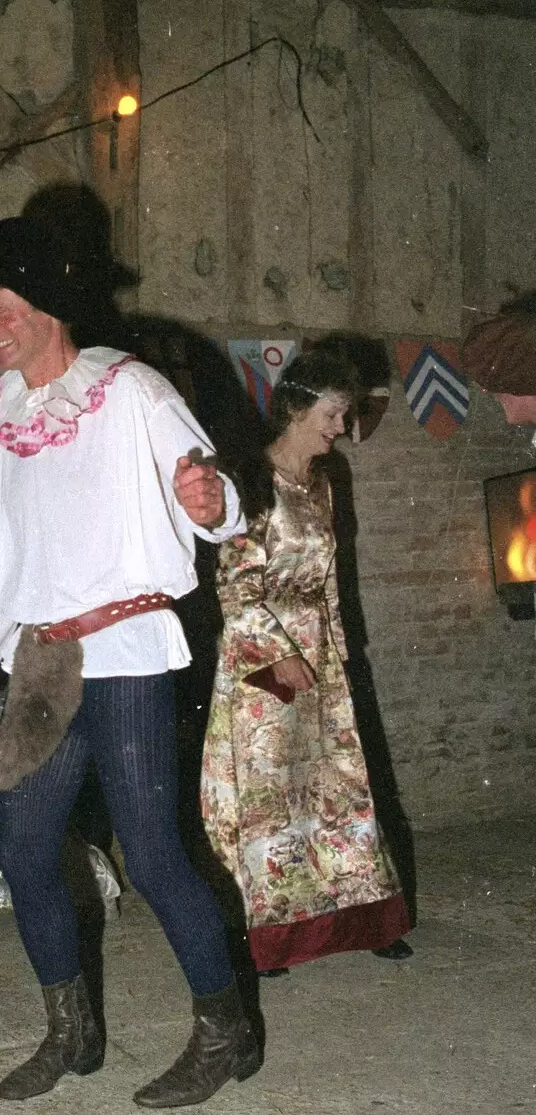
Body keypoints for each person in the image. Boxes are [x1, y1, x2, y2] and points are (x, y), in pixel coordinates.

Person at [0, 216, 259, 1109]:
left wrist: (210, 495)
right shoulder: (2, 416)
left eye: (0, 309)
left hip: (128, 649)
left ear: (46, 306)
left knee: (151, 854)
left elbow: (220, 507)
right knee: (24, 847)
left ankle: (226, 1032)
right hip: (42, 663)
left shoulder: (132, 391)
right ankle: (71, 1033)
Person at [200, 348, 412, 973]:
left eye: (345, 416)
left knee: (335, 787)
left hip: (319, 653)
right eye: (333, 414)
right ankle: (270, 939)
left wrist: (336, 654)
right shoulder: (245, 480)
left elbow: (327, 583)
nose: (342, 428)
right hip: (259, 659)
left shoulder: (324, 482)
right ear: (294, 407)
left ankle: (362, 917)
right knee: (269, 795)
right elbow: (234, 588)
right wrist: (278, 656)